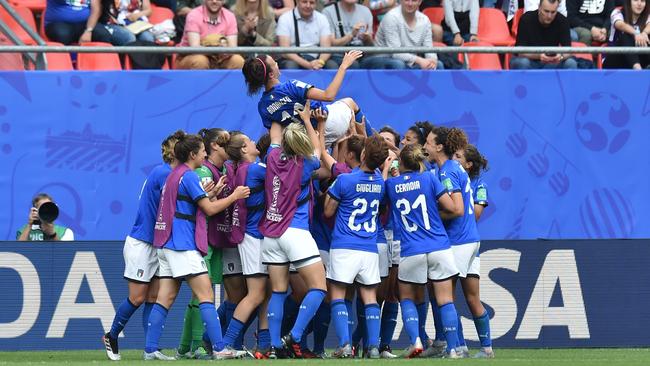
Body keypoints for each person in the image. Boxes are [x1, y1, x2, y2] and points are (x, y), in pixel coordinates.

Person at [144, 134, 250, 360]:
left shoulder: (175, 175)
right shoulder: (190, 176)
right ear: (192, 155)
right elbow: (210, 210)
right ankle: (220, 348)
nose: (205, 154)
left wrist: (211, 192)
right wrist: (234, 196)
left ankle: (150, 349)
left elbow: (190, 203)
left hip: (166, 243)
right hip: (182, 244)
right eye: (202, 151)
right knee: (206, 295)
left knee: (166, 297)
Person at [102, 130, 183, 361]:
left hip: (158, 243)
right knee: (137, 297)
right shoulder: (163, 173)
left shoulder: (170, 173)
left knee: (154, 298)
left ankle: (151, 348)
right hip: (142, 242)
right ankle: (112, 335)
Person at [259, 102, 327, 359]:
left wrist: (276, 107)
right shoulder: (306, 163)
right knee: (319, 288)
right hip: (295, 231)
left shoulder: (272, 157)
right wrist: (308, 120)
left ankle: (275, 345)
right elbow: (318, 149)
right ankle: (295, 335)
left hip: (271, 233)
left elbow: (275, 133)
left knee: (278, 291)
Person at [385, 144, 462, 358]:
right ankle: (454, 349)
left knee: (407, 298)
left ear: (401, 164)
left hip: (411, 249)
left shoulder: (391, 184)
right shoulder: (429, 178)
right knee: (445, 299)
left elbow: (384, 202)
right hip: (439, 245)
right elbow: (449, 206)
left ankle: (415, 342)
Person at [425, 127, 494, 359]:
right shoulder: (455, 169)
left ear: (439, 146)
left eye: (428, 143)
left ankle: (456, 348)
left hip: (459, 241)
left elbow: (456, 208)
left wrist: (432, 218)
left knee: (445, 297)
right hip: (470, 239)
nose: (425, 147)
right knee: (470, 297)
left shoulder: (447, 172)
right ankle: (485, 348)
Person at [323, 135, 389, 359]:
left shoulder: (345, 180)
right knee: (370, 298)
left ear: (362, 154)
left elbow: (328, 211)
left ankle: (344, 345)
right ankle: (372, 347)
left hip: (344, 245)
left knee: (338, 296)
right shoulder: (380, 183)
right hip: (369, 247)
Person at [175, 128, 235, 358]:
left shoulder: (224, 169)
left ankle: (185, 347)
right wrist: (230, 196)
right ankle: (197, 345)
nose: (229, 145)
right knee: (202, 294)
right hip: (202, 241)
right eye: (225, 141)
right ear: (214, 147)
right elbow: (204, 208)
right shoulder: (200, 172)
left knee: (200, 295)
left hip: (216, 238)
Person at [242, 50, 371, 148]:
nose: (277, 63)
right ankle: (374, 144)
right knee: (349, 102)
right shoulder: (290, 86)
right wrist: (343, 66)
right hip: (328, 122)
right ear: (271, 74)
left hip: (306, 142)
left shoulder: (263, 106)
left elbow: (277, 138)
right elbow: (329, 95)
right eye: (274, 63)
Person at [219, 132, 272, 355]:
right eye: (249, 141)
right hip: (253, 237)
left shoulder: (243, 169)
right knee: (256, 294)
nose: (253, 142)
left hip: (256, 236)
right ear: (243, 149)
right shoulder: (254, 169)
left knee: (266, 293)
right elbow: (284, 177)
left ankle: (265, 344)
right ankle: (227, 344)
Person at [176, 0, 246, 69]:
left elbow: (232, 48)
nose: (214, 1)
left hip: (221, 57)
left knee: (238, 61)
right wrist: (216, 48)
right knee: (200, 61)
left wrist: (220, 51)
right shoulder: (194, 15)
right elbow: (195, 47)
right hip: (190, 56)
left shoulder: (230, 16)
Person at [374, 0, 443, 69]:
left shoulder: (425, 20)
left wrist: (433, 60)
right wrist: (420, 60)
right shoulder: (391, 17)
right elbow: (395, 53)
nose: (410, 4)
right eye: (406, 0)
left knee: (438, 65)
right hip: (382, 59)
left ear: (420, 2)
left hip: (409, 61)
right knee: (398, 64)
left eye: (414, 0)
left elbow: (429, 49)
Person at [510, 0, 578, 69]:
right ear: (539, 7)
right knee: (523, 62)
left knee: (570, 63)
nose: (549, 16)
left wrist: (560, 56)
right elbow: (520, 52)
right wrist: (539, 56)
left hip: (551, 62)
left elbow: (568, 51)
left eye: (553, 12)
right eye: (546, 11)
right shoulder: (526, 19)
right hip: (529, 60)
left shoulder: (562, 21)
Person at [276, 0, 338, 69]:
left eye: (312, 3)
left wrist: (320, 62)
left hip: (317, 59)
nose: (308, 5)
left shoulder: (322, 18)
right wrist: (307, 64)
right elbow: (285, 51)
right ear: (297, 2)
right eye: (304, 2)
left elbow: (326, 48)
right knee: (291, 66)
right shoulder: (285, 18)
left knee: (332, 65)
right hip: (294, 59)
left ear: (316, 4)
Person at [603, 0, 650, 69]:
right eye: (635, 0)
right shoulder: (617, 12)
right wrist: (636, 33)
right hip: (614, 59)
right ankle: (639, 71)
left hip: (638, 59)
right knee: (626, 36)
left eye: (642, 1)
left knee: (647, 38)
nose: (639, 4)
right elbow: (620, 24)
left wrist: (644, 33)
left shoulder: (647, 15)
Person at [44, 0, 112, 45]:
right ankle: (65, 64)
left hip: (85, 24)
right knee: (63, 35)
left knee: (103, 34)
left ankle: (98, 64)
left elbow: (96, 9)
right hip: (58, 23)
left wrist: (88, 30)